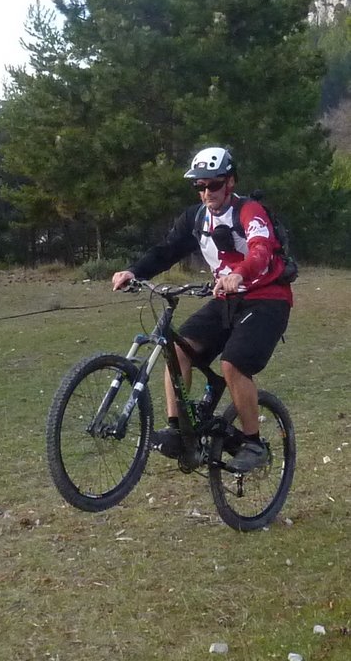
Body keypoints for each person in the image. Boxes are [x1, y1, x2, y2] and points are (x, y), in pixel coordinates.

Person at [112, 147, 292, 474]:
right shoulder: (196, 218)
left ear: (230, 182)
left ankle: (253, 443)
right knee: (177, 350)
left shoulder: (250, 212)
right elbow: (166, 251)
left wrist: (240, 273)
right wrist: (133, 272)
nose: (206, 192)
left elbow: (261, 251)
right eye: (200, 186)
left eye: (213, 184)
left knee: (233, 363)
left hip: (267, 298)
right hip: (227, 299)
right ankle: (178, 430)